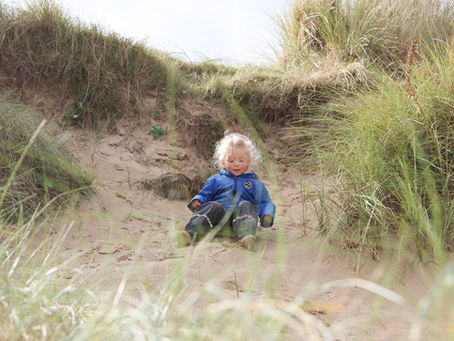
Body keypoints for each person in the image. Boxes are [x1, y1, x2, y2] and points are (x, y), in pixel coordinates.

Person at [178, 132, 275, 251]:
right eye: (231, 160)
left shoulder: (255, 183)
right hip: (216, 224)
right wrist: (198, 200)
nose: (236, 164)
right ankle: (190, 234)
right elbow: (205, 194)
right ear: (223, 161)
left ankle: (247, 237)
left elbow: (265, 202)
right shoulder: (215, 180)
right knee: (214, 205)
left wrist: (267, 214)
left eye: (241, 160)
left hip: (241, 223)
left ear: (248, 161)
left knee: (246, 205)